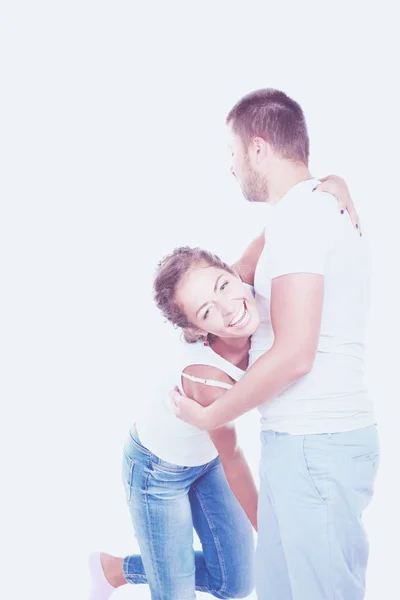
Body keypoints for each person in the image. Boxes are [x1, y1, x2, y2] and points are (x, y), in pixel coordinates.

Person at [88, 175, 357, 600]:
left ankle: (117, 569)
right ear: (196, 330)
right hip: (157, 473)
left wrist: (334, 186)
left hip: (205, 461)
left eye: (223, 285)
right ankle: (115, 571)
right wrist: (274, 540)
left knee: (235, 582)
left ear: (231, 272)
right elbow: (233, 456)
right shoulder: (206, 379)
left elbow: (283, 223)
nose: (230, 308)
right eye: (208, 311)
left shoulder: (246, 278)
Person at [171, 89, 379, 600]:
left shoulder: (304, 219)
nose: (233, 168)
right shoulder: (296, 216)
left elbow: (294, 355)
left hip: (317, 444)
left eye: (233, 154)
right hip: (301, 444)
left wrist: (211, 416)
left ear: (259, 149)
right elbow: (237, 273)